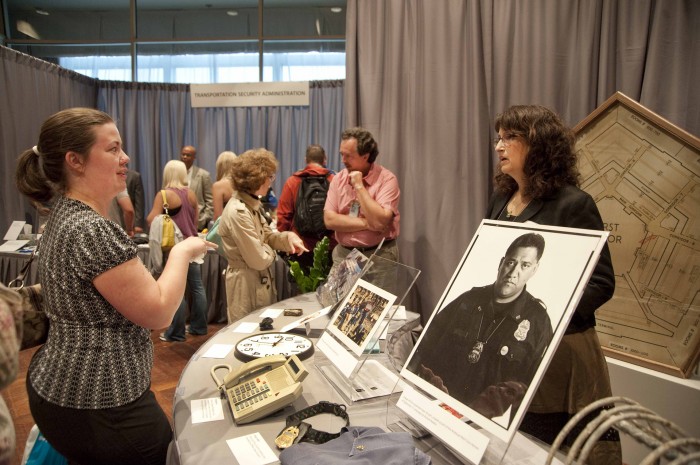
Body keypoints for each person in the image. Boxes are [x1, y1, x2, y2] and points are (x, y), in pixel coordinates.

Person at [14, 107, 213, 465]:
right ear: (75, 160)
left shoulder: (64, 214)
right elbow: (158, 312)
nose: (126, 158)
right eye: (112, 149)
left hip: (60, 386)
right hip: (101, 402)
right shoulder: (92, 229)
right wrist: (183, 250)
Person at [485, 105, 619, 463]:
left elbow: (602, 283)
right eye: (499, 138)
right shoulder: (500, 200)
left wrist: (546, 312)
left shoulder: (574, 204)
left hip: (561, 355)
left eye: (510, 137)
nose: (499, 146)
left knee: (558, 452)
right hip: (510, 348)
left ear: (539, 144)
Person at [406, 233, 552, 426]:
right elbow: (424, 347)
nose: (514, 272)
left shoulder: (538, 321)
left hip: (484, 427)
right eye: (510, 262)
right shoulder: (467, 300)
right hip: (435, 410)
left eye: (524, 265)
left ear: (534, 270)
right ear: (501, 263)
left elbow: (529, 387)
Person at [217, 148, 308, 323]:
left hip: (256, 281)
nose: (271, 182)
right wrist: (271, 250)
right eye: (270, 177)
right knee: (246, 333)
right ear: (257, 180)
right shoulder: (239, 211)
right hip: (246, 284)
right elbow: (258, 259)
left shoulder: (251, 205)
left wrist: (287, 237)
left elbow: (267, 236)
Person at [147, 160, 208, 342]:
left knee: (177, 291)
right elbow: (195, 221)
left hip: (174, 249)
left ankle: (176, 332)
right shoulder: (191, 194)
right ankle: (199, 327)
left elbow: (151, 219)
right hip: (193, 244)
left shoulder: (164, 195)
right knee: (197, 287)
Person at [324, 127, 400, 268]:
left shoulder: (387, 179)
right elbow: (329, 220)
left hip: (379, 257)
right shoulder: (338, 179)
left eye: (348, 156)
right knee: (338, 292)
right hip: (344, 256)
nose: (343, 160)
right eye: (342, 155)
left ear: (365, 156)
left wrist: (359, 186)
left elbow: (380, 222)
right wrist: (367, 223)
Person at [277, 144, 336, 270]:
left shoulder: (293, 181)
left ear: (305, 160)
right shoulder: (334, 180)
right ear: (325, 159)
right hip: (330, 245)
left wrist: (285, 241)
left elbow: (283, 217)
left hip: (301, 246)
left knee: (303, 288)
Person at [180, 145, 213, 231]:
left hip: (198, 222)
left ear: (194, 157)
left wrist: (203, 219)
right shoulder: (176, 174)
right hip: (178, 221)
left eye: (188, 155)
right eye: (183, 154)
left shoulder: (203, 175)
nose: (185, 157)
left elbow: (210, 201)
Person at [212, 151, 237, 222]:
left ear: (219, 166)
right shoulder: (242, 183)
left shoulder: (218, 186)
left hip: (228, 228)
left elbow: (218, 216)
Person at [126, 168, 146, 233]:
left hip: (130, 223)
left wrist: (138, 225)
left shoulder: (134, 176)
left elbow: (139, 203)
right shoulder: (105, 175)